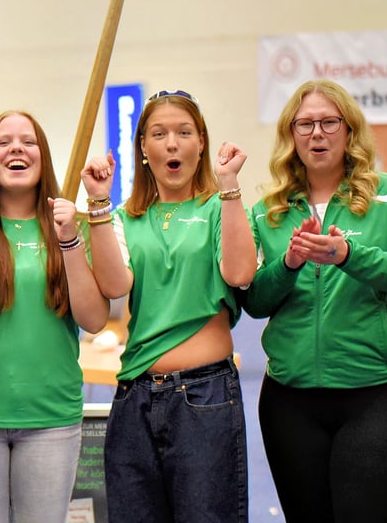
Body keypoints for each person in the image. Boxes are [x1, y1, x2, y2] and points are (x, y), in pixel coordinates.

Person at [241, 79, 387, 522]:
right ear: (291, 134)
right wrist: (287, 264)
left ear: (349, 131)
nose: (316, 133)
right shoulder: (268, 210)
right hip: (290, 404)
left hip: (379, 397)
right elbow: (254, 301)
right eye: (304, 123)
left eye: (329, 122)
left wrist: (349, 255)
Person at [82, 89, 256, 522]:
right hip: (135, 398)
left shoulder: (221, 207)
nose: (172, 143)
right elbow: (114, 284)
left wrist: (230, 186)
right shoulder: (123, 217)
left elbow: (240, 275)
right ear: (143, 147)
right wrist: (98, 202)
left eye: (183, 132)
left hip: (205, 396)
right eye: (159, 134)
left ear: (201, 143)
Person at [0, 111, 109, 522]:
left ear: (43, 157)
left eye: (28, 141)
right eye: (4, 142)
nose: (16, 148)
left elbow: (93, 320)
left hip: (51, 417)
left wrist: (69, 240)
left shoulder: (72, 227)